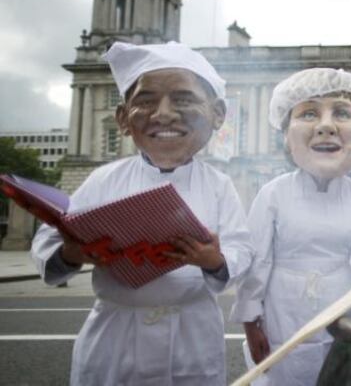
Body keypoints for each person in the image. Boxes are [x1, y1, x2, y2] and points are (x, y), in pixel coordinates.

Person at [31, 41, 254, 386]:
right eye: (146, 101)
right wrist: (70, 253)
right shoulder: (104, 179)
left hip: (191, 338)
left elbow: (241, 246)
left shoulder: (219, 185)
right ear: (123, 118)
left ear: (217, 114)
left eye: (183, 99)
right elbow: (50, 238)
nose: (164, 114)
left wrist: (215, 260)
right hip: (116, 338)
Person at [230, 68, 351, 385]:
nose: (326, 126)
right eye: (309, 113)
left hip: (339, 303)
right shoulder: (274, 193)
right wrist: (251, 320)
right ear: (286, 137)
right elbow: (258, 261)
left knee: (332, 372)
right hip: (282, 306)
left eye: (342, 113)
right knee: (285, 370)